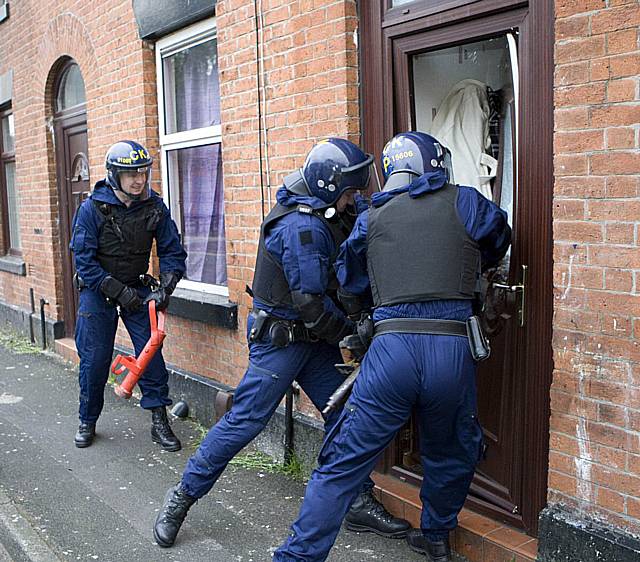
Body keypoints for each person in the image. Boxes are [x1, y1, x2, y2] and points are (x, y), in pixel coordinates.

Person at [153, 138, 410, 548]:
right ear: (329, 188)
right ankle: (182, 497)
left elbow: (367, 215)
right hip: (284, 342)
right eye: (349, 191)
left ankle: (357, 501)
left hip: (316, 343)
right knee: (244, 422)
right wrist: (354, 337)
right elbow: (310, 303)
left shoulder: (332, 207)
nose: (355, 198)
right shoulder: (301, 226)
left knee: (348, 416)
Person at [273, 131, 512, 562]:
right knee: (449, 449)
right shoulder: (466, 200)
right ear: (434, 164)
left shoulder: (371, 216)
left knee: (342, 463)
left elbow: (350, 278)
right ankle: (436, 537)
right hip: (451, 349)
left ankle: (297, 557)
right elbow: (499, 236)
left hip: (391, 350)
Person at [70, 140, 187, 451]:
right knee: (94, 361)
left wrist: (166, 287)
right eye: (130, 174)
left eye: (142, 172)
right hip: (99, 291)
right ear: (114, 175)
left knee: (151, 356)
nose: (139, 179)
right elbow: (84, 261)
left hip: (137, 289)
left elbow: (173, 252)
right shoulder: (91, 209)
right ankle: (88, 419)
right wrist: (118, 292)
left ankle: (159, 420)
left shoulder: (154, 207)